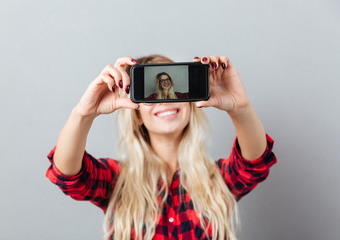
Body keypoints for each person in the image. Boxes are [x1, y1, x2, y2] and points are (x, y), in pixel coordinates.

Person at [46, 54, 277, 240]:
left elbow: (253, 165)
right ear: (138, 116)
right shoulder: (118, 180)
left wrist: (240, 107)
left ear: (188, 103)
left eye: (169, 86)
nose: (164, 100)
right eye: (151, 94)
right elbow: (68, 175)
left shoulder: (217, 179)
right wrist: (83, 114)